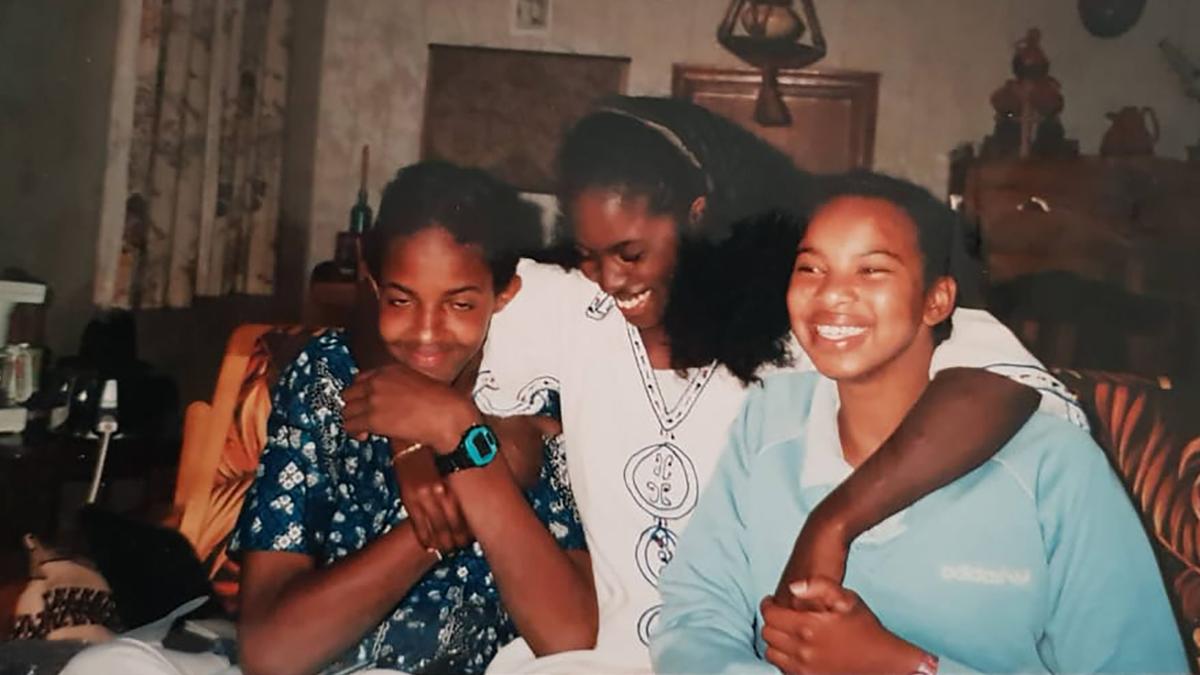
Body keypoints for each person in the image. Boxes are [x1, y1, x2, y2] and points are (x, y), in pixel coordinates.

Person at [343, 97, 1086, 674]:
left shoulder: (803, 315)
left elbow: (1001, 381)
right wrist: (418, 437)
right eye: (589, 252)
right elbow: (414, 304)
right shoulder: (571, 305)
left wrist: (836, 521)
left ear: (698, 217)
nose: (609, 277)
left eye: (630, 251)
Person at [63, 161, 594, 675]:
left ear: (503, 294)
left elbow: (570, 639)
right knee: (106, 665)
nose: (426, 333)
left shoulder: (535, 399)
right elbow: (272, 654)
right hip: (317, 662)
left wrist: (457, 431)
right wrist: (438, 514)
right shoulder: (326, 381)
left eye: (458, 305)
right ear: (372, 283)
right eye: (402, 300)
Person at [651, 171, 1187, 673]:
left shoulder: (1052, 465)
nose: (832, 293)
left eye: (872, 269)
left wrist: (902, 667)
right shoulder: (770, 421)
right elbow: (696, 613)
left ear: (937, 300)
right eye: (811, 267)